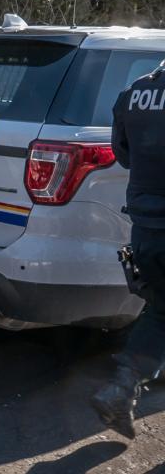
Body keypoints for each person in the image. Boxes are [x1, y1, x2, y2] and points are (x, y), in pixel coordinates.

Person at [91, 60, 165, 439]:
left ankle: (121, 390)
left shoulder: (137, 90)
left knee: (161, 310)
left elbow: (123, 152)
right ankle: (122, 388)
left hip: (147, 224)